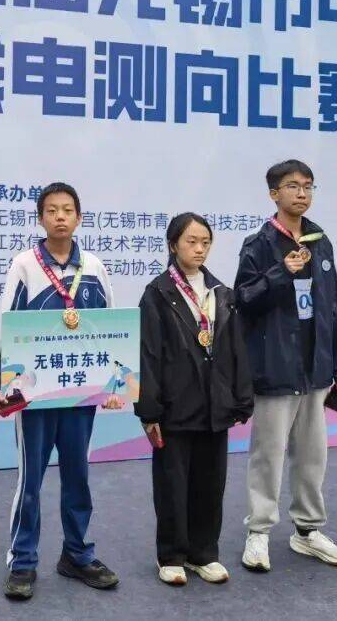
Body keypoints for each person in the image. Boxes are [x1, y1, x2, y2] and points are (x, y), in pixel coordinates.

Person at [0, 182, 124, 601]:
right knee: (30, 479)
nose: (60, 217)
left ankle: (77, 554)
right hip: (35, 396)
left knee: (77, 475)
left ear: (79, 217)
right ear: (40, 218)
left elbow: (112, 327)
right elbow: (8, 323)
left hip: (80, 394)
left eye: (67, 210)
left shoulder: (95, 266)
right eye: (52, 210)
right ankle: (23, 560)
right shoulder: (24, 265)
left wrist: (115, 383)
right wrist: (3, 383)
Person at [235, 160, 337, 572]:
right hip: (275, 367)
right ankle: (259, 532)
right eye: (292, 186)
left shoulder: (321, 241)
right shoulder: (259, 244)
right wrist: (281, 272)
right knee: (267, 455)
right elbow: (244, 299)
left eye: (308, 186)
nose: (302, 193)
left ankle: (308, 531)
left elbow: (333, 306)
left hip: (315, 368)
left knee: (312, 455)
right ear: (274, 194)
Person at [137, 213, 253, 586]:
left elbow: (235, 349)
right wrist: (149, 411)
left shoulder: (221, 292)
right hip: (174, 407)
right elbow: (147, 354)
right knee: (172, 484)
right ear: (173, 245)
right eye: (191, 241)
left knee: (210, 483)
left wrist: (241, 397)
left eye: (205, 242)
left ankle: (204, 554)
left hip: (215, 406)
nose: (199, 248)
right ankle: (171, 555)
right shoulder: (157, 293)